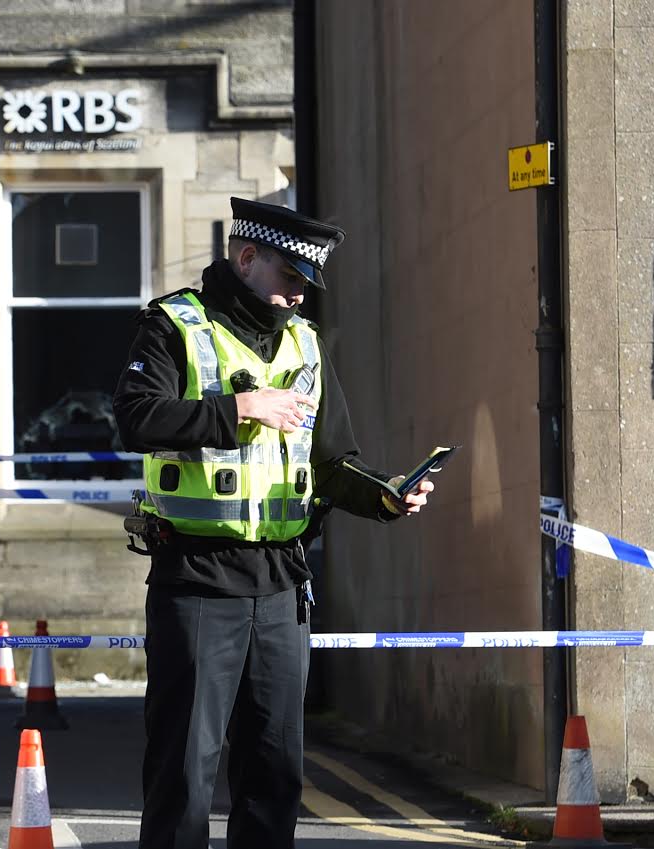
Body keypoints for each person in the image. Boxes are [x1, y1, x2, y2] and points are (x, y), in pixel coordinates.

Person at [112, 197, 434, 849]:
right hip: (198, 581)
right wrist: (238, 407)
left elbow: (333, 460)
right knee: (183, 777)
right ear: (247, 256)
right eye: (290, 278)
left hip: (283, 587)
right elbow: (135, 417)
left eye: (305, 285)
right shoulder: (177, 324)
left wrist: (387, 497)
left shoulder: (305, 345)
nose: (296, 296)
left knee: (276, 773)